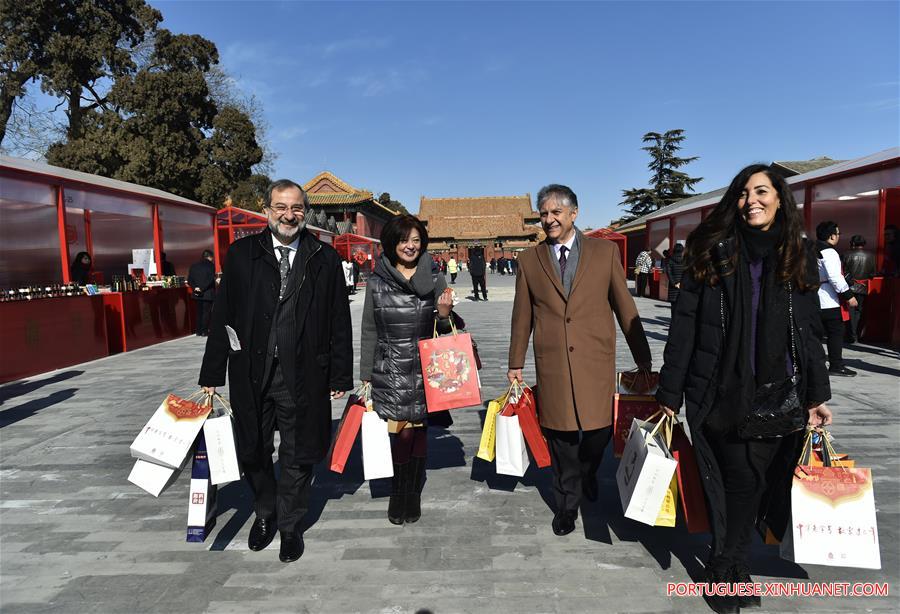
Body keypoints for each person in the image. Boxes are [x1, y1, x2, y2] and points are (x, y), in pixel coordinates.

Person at [656, 164, 832, 613]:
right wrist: (670, 393)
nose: (751, 200)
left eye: (761, 191)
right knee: (737, 479)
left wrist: (818, 395)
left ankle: (730, 563)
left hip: (779, 391)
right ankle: (727, 568)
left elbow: (809, 330)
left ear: (779, 199)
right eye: (743, 193)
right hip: (721, 388)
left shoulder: (799, 253)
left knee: (755, 483)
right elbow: (685, 325)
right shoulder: (711, 249)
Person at [198, 179, 353, 563]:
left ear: (305, 212)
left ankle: (289, 525)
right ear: (267, 209)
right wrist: (211, 372)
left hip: (304, 372)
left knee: (298, 454)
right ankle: (265, 510)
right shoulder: (242, 254)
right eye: (281, 207)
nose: (289, 215)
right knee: (252, 449)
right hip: (251, 370)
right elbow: (223, 315)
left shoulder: (323, 257)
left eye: (296, 208)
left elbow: (338, 320)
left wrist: (340, 374)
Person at [508, 184, 652, 537]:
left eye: (556, 212)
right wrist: (516, 362)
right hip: (553, 361)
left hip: (594, 360)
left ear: (574, 213)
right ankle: (566, 503)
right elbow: (522, 315)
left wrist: (643, 357)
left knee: (598, 432)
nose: (549, 219)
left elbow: (625, 307)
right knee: (561, 437)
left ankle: (589, 471)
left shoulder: (603, 254)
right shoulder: (530, 260)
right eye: (544, 214)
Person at [359, 214, 456, 525]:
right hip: (391, 365)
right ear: (392, 243)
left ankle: (412, 493)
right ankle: (398, 491)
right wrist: (365, 373)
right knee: (399, 431)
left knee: (420, 429)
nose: (410, 246)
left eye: (416, 240)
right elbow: (369, 328)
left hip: (428, 365)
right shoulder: (377, 280)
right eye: (404, 240)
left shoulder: (435, 277)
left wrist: (443, 314)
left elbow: (449, 327)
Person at [815, 221, 857, 376]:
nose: (838, 236)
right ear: (832, 236)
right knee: (835, 333)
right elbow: (835, 277)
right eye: (838, 234)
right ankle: (836, 365)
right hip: (830, 299)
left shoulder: (812, 249)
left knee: (815, 335)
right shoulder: (830, 252)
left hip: (814, 297)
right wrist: (849, 296)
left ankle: (814, 364)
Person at [842, 235, 875, 343]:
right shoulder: (871, 256)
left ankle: (851, 334)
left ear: (852, 243)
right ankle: (855, 334)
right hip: (863, 287)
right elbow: (872, 274)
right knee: (858, 311)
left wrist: (851, 281)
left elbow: (843, 271)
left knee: (849, 311)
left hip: (849, 287)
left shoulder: (846, 254)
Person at [187, 250, 216, 336]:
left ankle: (198, 331)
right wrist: (202, 288)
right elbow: (210, 280)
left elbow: (189, 280)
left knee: (199, 312)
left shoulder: (194, 266)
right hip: (207, 293)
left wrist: (195, 288)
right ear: (210, 257)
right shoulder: (211, 265)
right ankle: (204, 330)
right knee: (206, 312)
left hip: (196, 293)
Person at [664, 243, 686, 317]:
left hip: (673, 286)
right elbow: (686, 273)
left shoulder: (670, 261)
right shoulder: (685, 261)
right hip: (683, 286)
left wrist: (674, 283)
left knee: (673, 306)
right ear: (682, 251)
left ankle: (673, 321)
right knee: (681, 306)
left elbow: (668, 273)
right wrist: (682, 283)